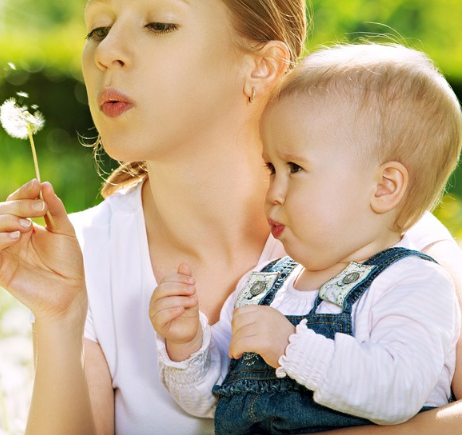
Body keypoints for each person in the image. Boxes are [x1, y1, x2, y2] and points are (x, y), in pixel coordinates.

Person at [0, 0, 462, 434]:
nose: (108, 52)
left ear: (262, 66)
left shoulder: (387, 235)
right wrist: (60, 319)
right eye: (97, 28)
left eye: (159, 23)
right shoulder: (86, 258)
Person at [152, 43, 461, 433]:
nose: (274, 191)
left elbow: (398, 393)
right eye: (271, 168)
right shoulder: (263, 285)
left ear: (384, 187)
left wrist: (291, 348)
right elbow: (210, 399)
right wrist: (188, 344)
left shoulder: (411, 282)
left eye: (295, 167)